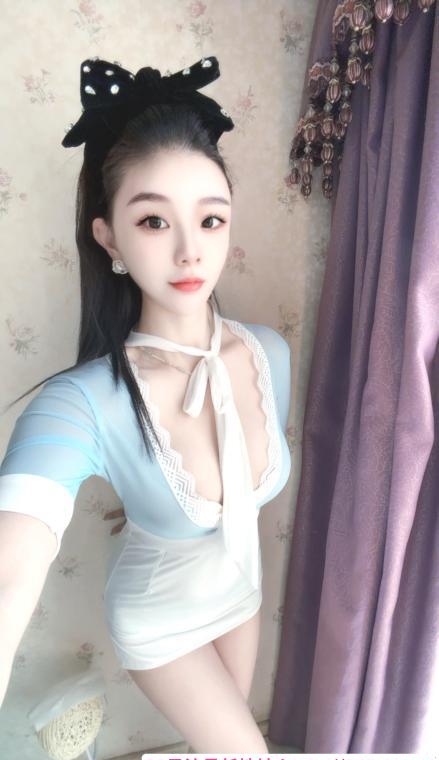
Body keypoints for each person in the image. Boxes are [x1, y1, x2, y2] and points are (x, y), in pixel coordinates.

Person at [0, 55, 292, 751]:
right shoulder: (83, 402)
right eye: (155, 221)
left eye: (210, 219)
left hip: (241, 593)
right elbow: (10, 573)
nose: (191, 252)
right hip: (161, 620)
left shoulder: (269, 354)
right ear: (109, 237)